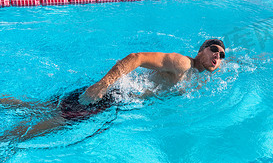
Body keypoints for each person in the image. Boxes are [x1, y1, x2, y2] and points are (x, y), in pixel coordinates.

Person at [0, 39, 226, 143]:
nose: (217, 56)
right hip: (111, 94)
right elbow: (136, 58)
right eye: (214, 50)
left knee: (37, 108)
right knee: (57, 122)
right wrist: (102, 85)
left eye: (222, 55)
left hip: (116, 97)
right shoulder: (183, 63)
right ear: (200, 51)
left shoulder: (197, 78)